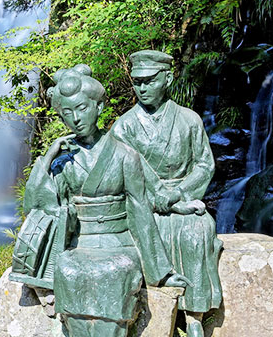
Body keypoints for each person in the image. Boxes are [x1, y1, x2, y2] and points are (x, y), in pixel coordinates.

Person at [10, 64, 188, 337]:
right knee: (68, 270)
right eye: (67, 113)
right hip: (80, 240)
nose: (76, 119)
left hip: (118, 240)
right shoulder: (63, 158)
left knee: (116, 271)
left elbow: (140, 212)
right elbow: (37, 206)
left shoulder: (125, 154)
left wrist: (160, 272)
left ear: (99, 107)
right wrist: (47, 159)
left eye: (82, 109)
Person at [111, 50, 222, 337]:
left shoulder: (189, 120)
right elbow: (123, 174)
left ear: (168, 79)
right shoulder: (124, 126)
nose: (142, 88)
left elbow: (204, 164)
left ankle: (194, 315)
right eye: (137, 82)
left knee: (196, 231)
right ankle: (153, 311)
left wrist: (178, 194)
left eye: (149, 81)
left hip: (185, 199)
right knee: (144, 232)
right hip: (143, 205)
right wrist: (156, 199)